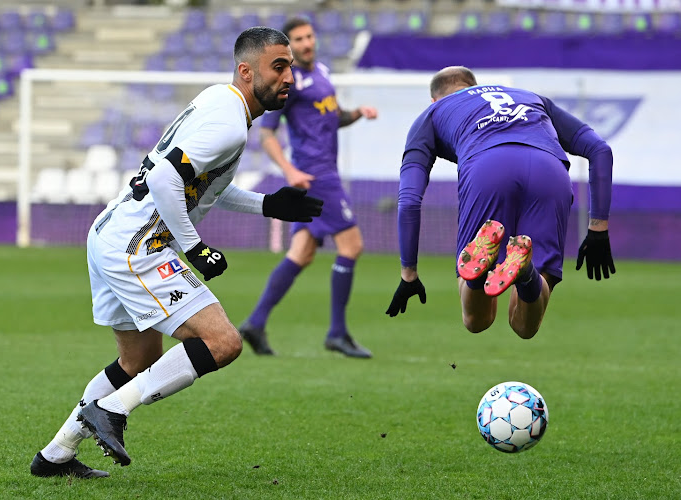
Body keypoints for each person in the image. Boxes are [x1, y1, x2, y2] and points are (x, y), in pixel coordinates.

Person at [30, 26, 323, 478]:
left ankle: (56, 454)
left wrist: (267, 205)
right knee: (223, 342)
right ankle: (112, 411)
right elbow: (167, 178)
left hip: (110, 232)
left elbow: (199, 184)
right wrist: (195, 248)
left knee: (138, 359)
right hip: (136, 246)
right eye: (278, 67)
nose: (288, 76)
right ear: (247, 72)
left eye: (289, 67)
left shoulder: (220, 101)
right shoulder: (229, 124)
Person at [386, 66, 615, 339]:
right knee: (525, 327)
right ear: (474, 85)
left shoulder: (433, 114)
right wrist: (598, 229)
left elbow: (409, 200)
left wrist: (408, 272)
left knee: (477, 320)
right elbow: (600, 149)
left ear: (435, 99)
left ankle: (480, 270)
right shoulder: (530, 97)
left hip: (488, 169)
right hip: (549, 170)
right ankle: (526, 270)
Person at [238, 17, 378, 359]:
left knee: (301, 253)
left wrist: (357, 113)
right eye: (298, 39)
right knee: (352, 246)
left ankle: (255, 323)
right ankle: (337, 333)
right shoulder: (290, 82)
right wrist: (290, 170)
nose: (306, 43)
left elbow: (332, 116)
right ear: (290, 47)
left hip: (322, 172)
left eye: (308, 36)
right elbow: (267, 133)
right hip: (317, 177)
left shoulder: (324, 74)